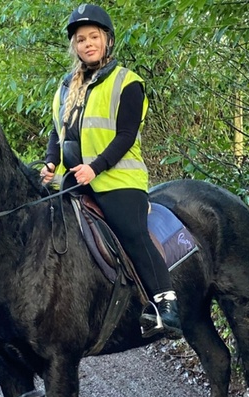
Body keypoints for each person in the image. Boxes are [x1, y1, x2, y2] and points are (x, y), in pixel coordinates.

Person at [40, 3, 182, 339]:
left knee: (131, 233)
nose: (87, 43)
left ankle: (167, 306)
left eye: (93, 37)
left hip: (118, 180)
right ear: (74, 46)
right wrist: (50, 163)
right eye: (80, 39)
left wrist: (95, 168)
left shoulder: (127, 82)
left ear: (107, 40)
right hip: (74, 180)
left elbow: (125, 136)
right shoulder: (65, 88)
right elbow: (57, 133)